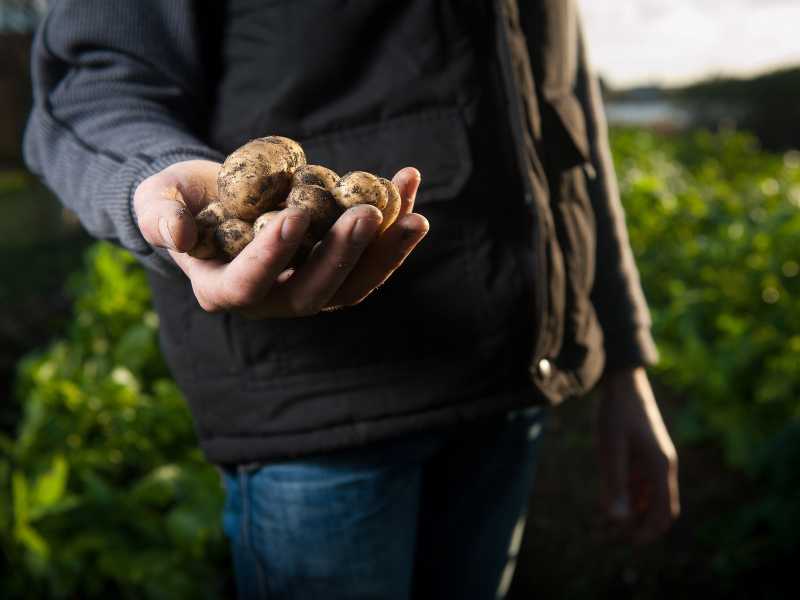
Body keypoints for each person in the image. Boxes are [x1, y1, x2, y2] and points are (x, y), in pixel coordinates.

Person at [24, 1, 680, 598]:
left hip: (509, 387)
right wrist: (153, 184)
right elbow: (93, 85)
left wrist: (622, 354)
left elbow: (562, 109)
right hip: (321, 408)